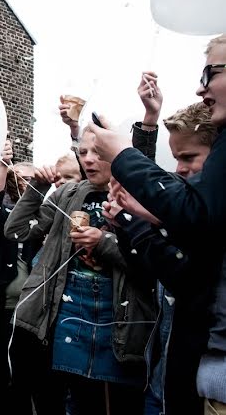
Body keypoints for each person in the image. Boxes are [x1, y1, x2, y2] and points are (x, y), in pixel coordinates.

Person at [89, 34, 226, 414]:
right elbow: (163, 194)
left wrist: (137, 222)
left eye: (210, 73)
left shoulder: (206, 203)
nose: (179, 168)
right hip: (167, 363)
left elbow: (182, 266)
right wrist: (148, 122)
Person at [5, 129, 156, 415]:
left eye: (98, 152)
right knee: (67, 401)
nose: (88, 159)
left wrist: (104, 243)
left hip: (116, 322)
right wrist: (34, 189)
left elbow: (150, 265)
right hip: (66, 317)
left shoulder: (137, 196)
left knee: (108, 403)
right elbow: (16, 231)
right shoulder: (69, 193)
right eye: (83, 152)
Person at [105, 100, 218, 415]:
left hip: (198, 385)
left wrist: (137, 224)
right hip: (161, 375)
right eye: (177, 158)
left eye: (189, 157)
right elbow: (146, 272)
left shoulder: (206, 218)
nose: (180, 168)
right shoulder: (180, 211)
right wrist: (129, 225)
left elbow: (182, 275)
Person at [0, 140, 41, 415]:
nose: (27, 184)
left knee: (28, 384)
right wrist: (3, 164)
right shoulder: (1, 216)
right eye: (22, 179)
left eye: (32, 180)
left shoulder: (47, 217)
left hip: (35, 317)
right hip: (2, 310)